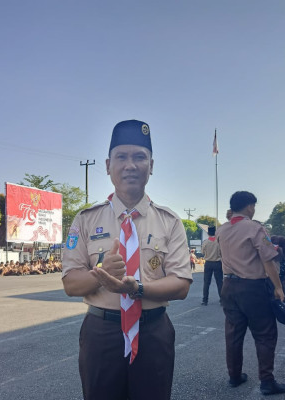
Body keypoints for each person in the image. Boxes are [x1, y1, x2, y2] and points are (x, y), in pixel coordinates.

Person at [62, 119, 192, 400]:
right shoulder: (86, 219)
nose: (130, 165)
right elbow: (71, 285)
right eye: (121, 157)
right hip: (101, 333)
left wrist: (136, 290)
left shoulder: (169, 222)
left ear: (152, 166)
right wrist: (100, 271)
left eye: (139, 157)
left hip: (153, 332)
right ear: (108, 165)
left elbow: (181, 284)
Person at [216, 191, 285, 395]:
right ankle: (267, 381)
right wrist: (278, 286)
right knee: (265, 334)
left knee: (233, 333)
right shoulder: (255, 228)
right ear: (249, 206)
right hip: (253, 288)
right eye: (253, 206)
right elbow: (268, 259)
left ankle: (234, 376)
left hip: (228, 286)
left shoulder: (221, 230)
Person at [201, 226, 223, 305]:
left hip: (208, 263)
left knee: (206, 282)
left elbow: (202, 252)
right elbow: (222, 253)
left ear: (208, 233)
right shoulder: (218, 242)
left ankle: (205, 300)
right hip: (217, 263)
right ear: (215, 232)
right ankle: (222, 300)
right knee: (219, 282)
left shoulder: (205, 242)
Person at [270, 236, 285, 302]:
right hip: (283, 266)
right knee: (283, 281)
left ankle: (277, 295)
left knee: (276, 281)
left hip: (277, 267)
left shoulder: (277, 249)